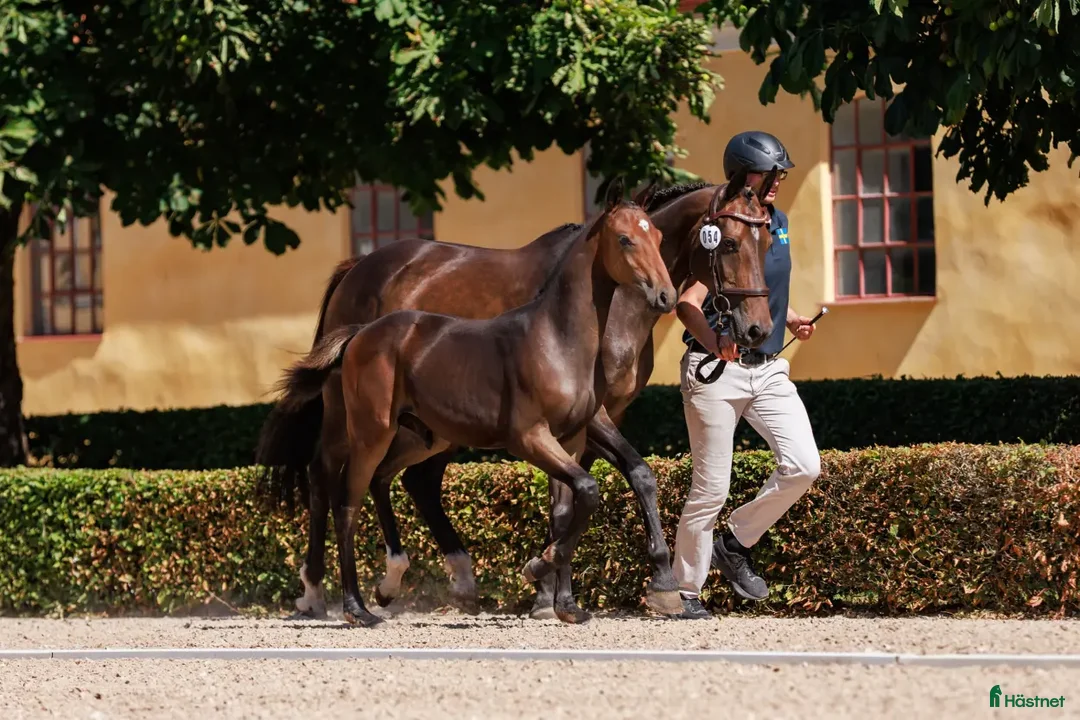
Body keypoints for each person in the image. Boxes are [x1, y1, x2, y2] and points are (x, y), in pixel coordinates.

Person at [672, 130, 822, 620]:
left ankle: (734, 542)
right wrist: (716, 341)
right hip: (717, 370)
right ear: (742, 174)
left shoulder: (773, 223)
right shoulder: (720, 226)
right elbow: (688, 303)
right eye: (768, 173)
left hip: (769, 369)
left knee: (804, 465)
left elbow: (757, 289)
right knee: (710, 487)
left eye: (781, 172)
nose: (778, 180)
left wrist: (791, 316)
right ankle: (683, 592)